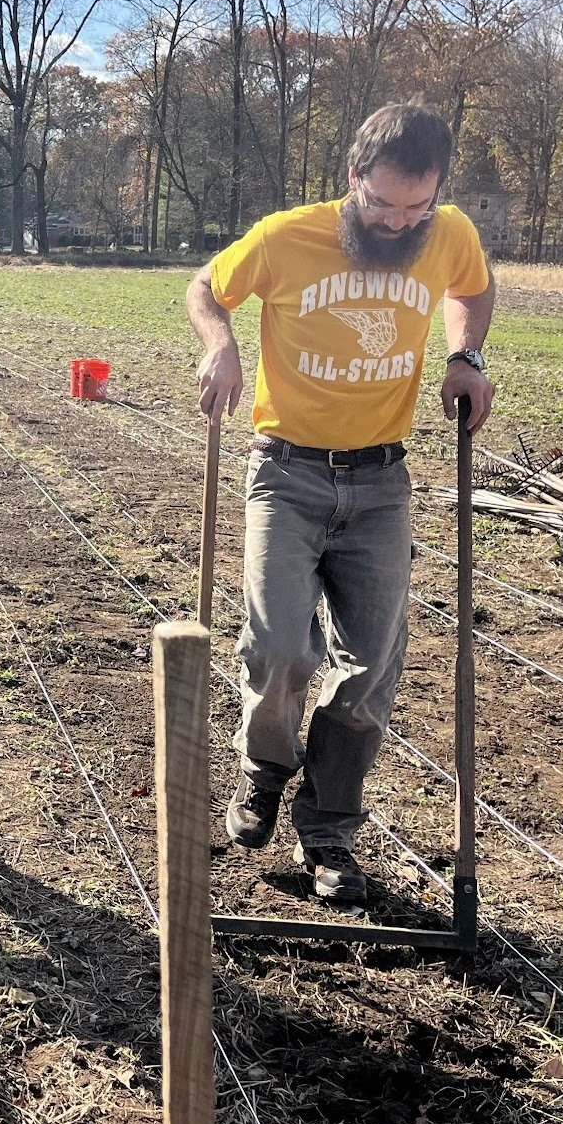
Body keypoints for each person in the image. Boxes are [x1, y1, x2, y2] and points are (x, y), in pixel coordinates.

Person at [185, 102, 497, 904]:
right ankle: (265, 768)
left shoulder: (448, 232)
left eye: (415, 207)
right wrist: (221, 348)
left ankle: (327, 833)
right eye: (383, 202)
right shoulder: (288, 236)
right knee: (280, 651)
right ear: (353, 178)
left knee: (372, 670)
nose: (398, 223)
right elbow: (205, 288)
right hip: (285, 473)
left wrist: (464, 356)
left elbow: (473, 288)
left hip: (382, 483)